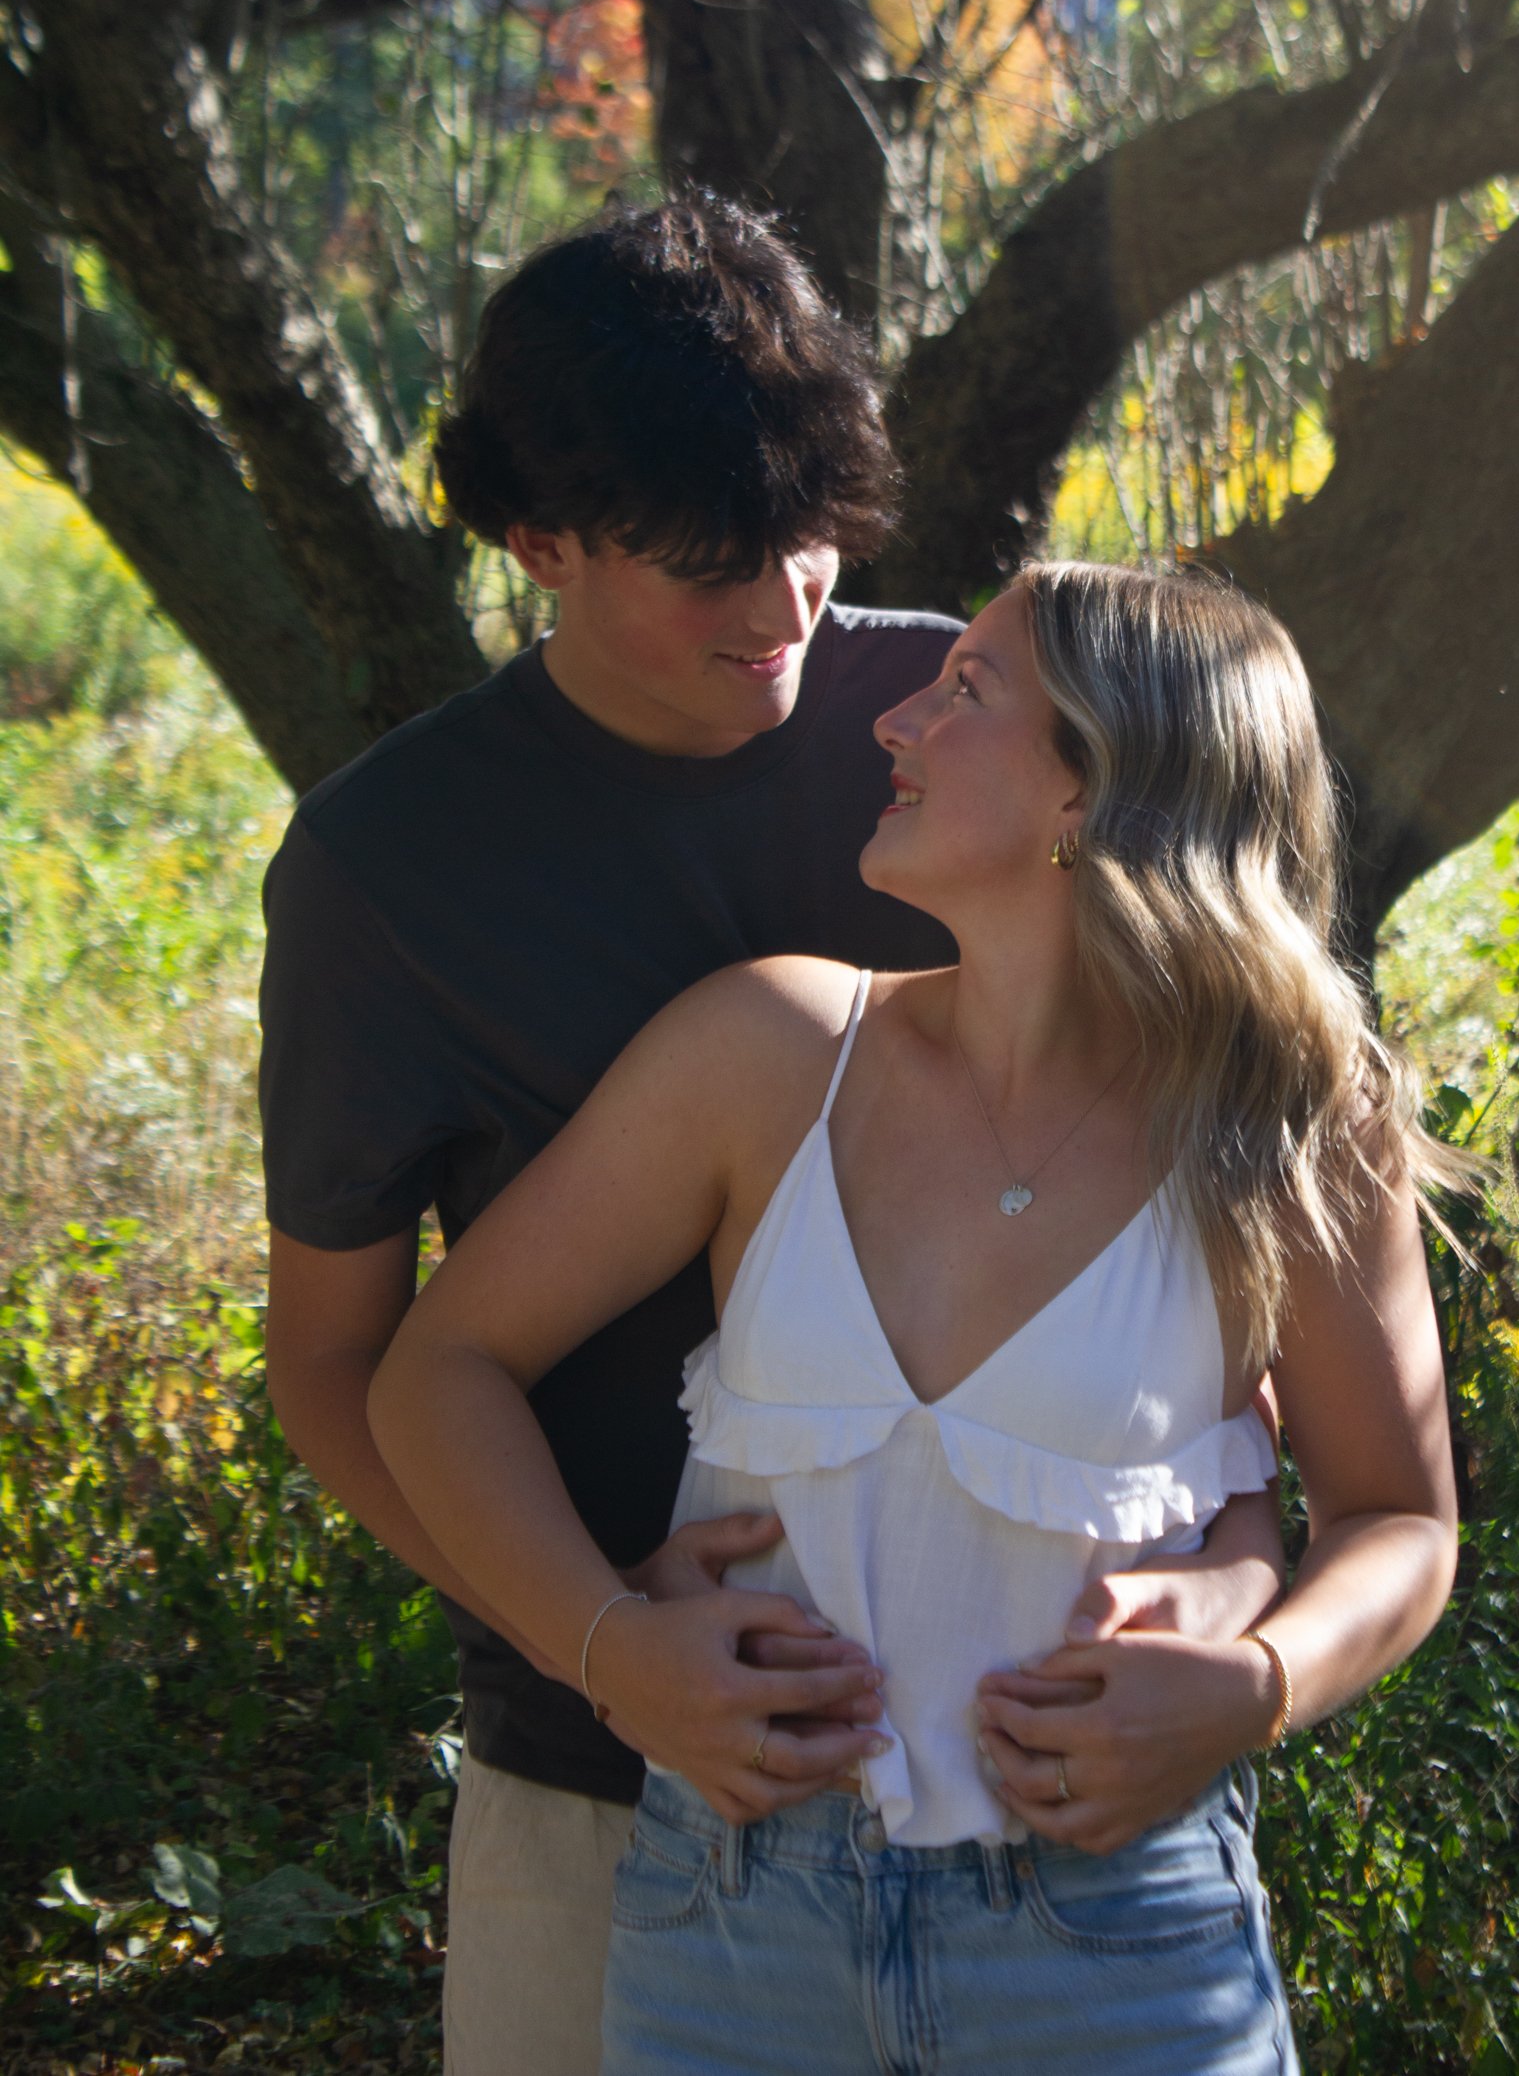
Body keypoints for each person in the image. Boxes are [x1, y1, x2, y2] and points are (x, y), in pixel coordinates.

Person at [260, 203, 1283, 2075]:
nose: (787, 604)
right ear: (537, 547)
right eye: (712, 563)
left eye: (814, 533)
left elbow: (1210, 1211)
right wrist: (597, 1643)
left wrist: (1235, 1574)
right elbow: (341, 1366)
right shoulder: (380, 871)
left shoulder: (972, 729)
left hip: (1041, 1815)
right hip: (596, 1801)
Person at [369, 558, 1463, 2075]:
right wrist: (606, 1646)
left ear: (1095, 788)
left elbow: (1402, 1517)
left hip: (1116, 1943)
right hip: (731, 1928)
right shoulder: (770, 1047)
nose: (892, 719)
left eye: (967, 692)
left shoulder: (1291, 1124)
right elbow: (438, 1373)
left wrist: (1254, 1689)